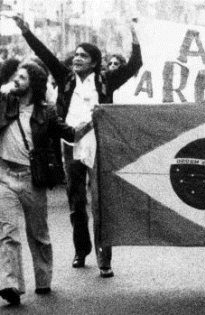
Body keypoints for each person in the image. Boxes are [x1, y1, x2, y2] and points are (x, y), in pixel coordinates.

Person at [13, 15, 143, 278]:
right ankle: (80, 250)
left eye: (83, 56)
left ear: (94, 62)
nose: (77, 58)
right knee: (76, 202)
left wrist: (134, 32)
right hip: (71, 145)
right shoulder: (66, 77)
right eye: (76, 55)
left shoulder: (107, 80)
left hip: (99, 147)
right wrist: (25, 30)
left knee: (100, 203)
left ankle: (104, 258)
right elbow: (45, 54)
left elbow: (135, 64)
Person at [0, 62, 76, 305]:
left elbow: (70, 134)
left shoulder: (47, 112)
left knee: (38, 234)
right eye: (15, 77)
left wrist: (94, 122)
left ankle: (43, 280)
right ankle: (10, 284)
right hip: (4, 176)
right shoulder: (4, 104)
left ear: (32, 83)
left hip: (33, 179)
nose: (16, 81)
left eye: (21, 77)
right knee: (7, 233)